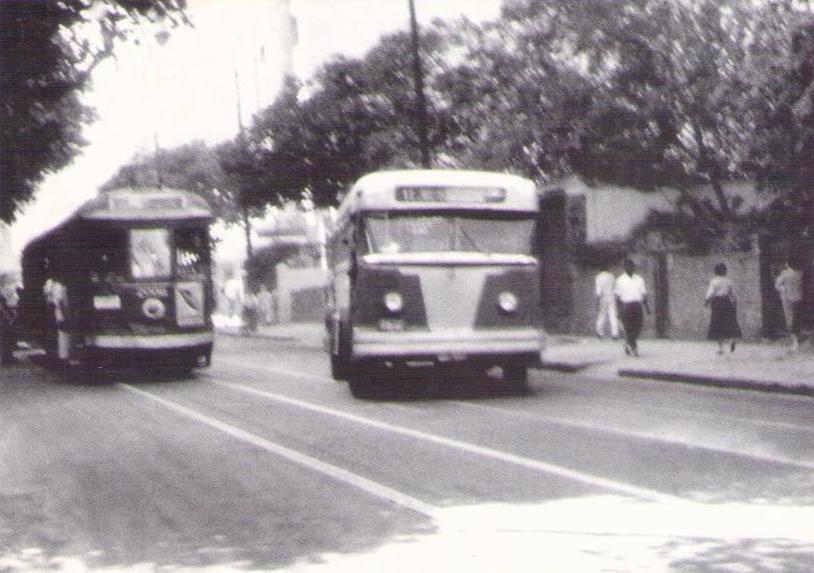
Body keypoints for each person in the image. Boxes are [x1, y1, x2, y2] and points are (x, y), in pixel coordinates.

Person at [614, 258, 650, 357]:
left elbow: (644, 294)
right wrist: (618, 310)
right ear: (624, 268)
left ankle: (627, 343)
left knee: (637, 327)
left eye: (631, 266)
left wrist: (647, 307)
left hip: (637, 306)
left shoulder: (639, 279)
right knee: (629, 328)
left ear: (634, 267)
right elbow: (617, 297)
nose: (629, 268)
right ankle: (634, 348)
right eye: (626, 266)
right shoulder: (620, 280)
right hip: (626, 306)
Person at [705, 263, 741, 355]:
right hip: (727, 302)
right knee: (729, 322)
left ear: (715, 271)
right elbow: (733, 294)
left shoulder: (714, 281)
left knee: (717, 324)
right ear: (725, 271)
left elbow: (711, 293)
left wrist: (707, 301)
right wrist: (734, 303)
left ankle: (721, 348)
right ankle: (732, 340)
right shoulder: (729, 281)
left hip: (717, 303)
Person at [775, 259, 804, 352]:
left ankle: (795, 342)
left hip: (788, 299)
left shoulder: (784, 274)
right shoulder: (800, 274)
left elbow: (777, 286)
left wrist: (783, 290)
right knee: (797, 319)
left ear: (787, 264)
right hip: (799, 299)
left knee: (790, 320)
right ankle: (798, 339)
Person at [594, 262, 619, 339]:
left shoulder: (599, 277)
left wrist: (597, 301)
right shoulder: (611, 276)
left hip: (603, 297)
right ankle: (615, 333)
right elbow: (615, 288)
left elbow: (598, 291)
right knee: (613, 315)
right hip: (611, 296)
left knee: (602, 314)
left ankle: (599, 332)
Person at [0, 292, 17, 365]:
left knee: (8, 339)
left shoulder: (3, 303)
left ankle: (8, 357)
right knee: (5, 340)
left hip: (5, 323)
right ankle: (6, 358)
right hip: (3, 323)